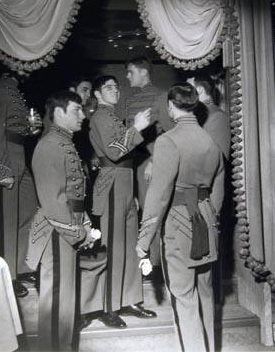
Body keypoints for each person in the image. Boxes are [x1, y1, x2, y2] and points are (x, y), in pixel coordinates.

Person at [137, 83, 225, 352]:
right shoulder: (210, 142)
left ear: (171, 107)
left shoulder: (168, 141)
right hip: (206, 223)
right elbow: (218, 193)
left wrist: (143, 241)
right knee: (206, 296)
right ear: (195, 106)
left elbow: (158, 195)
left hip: (178, 226)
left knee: (184, 300)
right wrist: (211, 218)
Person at [28, 90, 106, 351]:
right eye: (76, 110)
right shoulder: (50, 145)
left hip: (67, 227)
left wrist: (83, 224)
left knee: (65, 299)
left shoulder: (64, 142)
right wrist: (77, 233)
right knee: (58, 300)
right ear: (59, 113)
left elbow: (73, 192)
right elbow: (52, 202)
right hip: (56, 231)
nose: (83, 115)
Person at [89, 75, 157, 327]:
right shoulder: (99, 117)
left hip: (126, 180)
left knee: (129, 245)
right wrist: (136, 128)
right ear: (97, 94)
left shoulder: (113, 116)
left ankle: (129, 300)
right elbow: (115, 151)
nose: (115, 91)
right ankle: (108, 306)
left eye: (117, 87)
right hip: (112, 182)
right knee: (113, 247)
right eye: (108, 88)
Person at [0, 71, 42, 297]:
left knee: (28, 212)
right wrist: (1, 168)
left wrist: (33, 129)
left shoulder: (16, 90)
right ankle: (5, 275)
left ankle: (20, 267)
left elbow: (15, 128)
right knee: (7, 221)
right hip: (7, 157)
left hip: (20, 154)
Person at [122, 57, 173, 265]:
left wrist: (154, 160)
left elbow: (168, 134)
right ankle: (146, 260)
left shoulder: (161, 97)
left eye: (131, 72)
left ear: (144, 72)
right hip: (133, 163)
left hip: (150, 162)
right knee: (138, 211)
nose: (127, 76)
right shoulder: (130, 100)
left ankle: (156, 263)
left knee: (152, 211)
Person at [186, 74, 230, 161]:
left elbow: (216, 160)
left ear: (199, 90)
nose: (183, 95)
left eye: (187, 90)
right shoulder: (197, 115)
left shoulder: (217, 117)